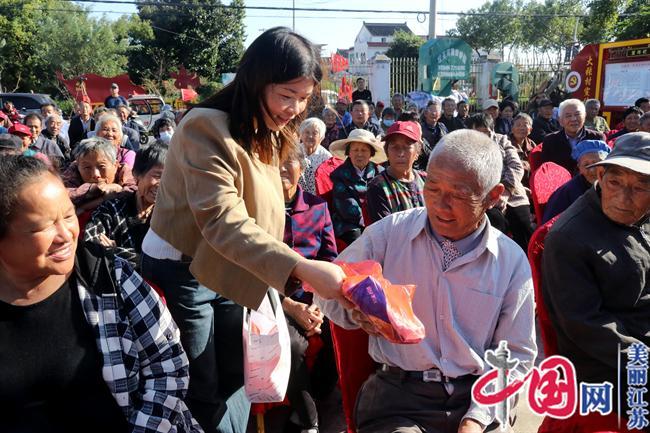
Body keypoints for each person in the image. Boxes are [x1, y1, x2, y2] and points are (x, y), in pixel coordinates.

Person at [140, 27, 350, 433]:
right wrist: (302, 268)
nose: (294, 108)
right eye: (286, 95)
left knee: (241, 371)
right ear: (256, 81)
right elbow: (223, 220)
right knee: (201, 381)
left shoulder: (268, 129)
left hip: (238, 266)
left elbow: (264, 215)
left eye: (303, 99)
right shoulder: (205, 127)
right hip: (186, 269)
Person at [317, 129, 537, 433]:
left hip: (478, 396)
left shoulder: (510, 261)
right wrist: (357, 310)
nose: (440, 205)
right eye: (432, 188)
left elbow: (515, 355)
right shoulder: (388, 235)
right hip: (398, 398)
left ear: (492, 197)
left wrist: (478, 417)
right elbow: (327, 292)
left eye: (459, 195)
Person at [0, 154, 201, 433]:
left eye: (68, 215)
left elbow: (167, 361)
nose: (66, 234)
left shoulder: (108, 276)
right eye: (43, 226)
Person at [541, 132, 650, 431]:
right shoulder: (569, 238)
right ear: (599, 175)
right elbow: (587, 327)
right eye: (615, 183)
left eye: (640, 187)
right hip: (607, 367)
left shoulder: (643, 215)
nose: (624, 198)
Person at [279, 145, 338, 433]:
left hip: (314, 296)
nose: (281, 167)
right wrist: (290, 306)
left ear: (302, 168)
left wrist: (317, 303)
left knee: (342, 330)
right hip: (271, 299)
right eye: (274, 161)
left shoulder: (317, 206)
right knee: (291, 344)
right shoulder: (257, 208)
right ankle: (308, 418)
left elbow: (329, 259)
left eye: (288, 161)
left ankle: (316, 396)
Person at [84, 143, 167, 270]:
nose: (164, 184)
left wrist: (114, 251)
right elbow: (91, 244)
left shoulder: (169, 216)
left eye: (170, 178)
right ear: (137, 174)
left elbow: (169, 262)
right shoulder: (111, 209)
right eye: (158, 176)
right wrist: (143, 260)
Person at [468, 113, 533, 251]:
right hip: (486, 197)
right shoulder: (467, 147)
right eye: (477, 133)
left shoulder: (502, 140)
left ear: (492, 130)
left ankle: (528, 266)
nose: (482, 137)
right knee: (495, 228)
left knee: (524, 227)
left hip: (512, 194)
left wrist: (505, 192)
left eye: (486, 132)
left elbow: (516, 166)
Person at [329, 128, 386, 245]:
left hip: (378, 221)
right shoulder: (339, 175)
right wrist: (370, 225)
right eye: (355, 150)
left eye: (364, 150)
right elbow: (348, 208)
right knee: (359, 240)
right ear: (348, 152)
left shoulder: (380, 172)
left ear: (371, 153)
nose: (359, 154)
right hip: (349, 224)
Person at [367, 121, 426, 224]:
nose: (400, 153)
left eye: (407, 146)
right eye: (394, 147)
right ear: (387, 153)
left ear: (417, 153)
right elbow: (386, 232)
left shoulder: (427, 180)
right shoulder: (378, 187)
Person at [62, 137, 137, 214]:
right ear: (78, 166)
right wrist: (97, 191)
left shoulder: (123, 170)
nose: (95, 174)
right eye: (87, 168)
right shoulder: (74, 169)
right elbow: (62, 196)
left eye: (102, 166)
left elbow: (134, 193)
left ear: (115, 165)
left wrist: (85, 206)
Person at [541, 139, 610, 223]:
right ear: (579, 168)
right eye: (586, 165)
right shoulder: (570, 193)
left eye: (597, 163)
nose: (592, 170)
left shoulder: (611, 183)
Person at [541, 99, 606, 174]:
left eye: (577, 114)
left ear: (584, 116)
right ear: (560, 120)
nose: (573, 119)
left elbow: (602, 168)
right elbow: (546, 170)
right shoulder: (550, 140)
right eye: (568, 116)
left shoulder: (597, 138)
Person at [297, 117, 331, 195]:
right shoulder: (293, 152)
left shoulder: (326, 157)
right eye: (307, 132)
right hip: (296, 196)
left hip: (318, 197)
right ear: (301, 135)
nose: (310, 136)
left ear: (321, 137)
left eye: (315, 133)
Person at [417, 99, 447, 170]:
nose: (433, 113)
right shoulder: (420, 128)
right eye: (431, 111)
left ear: (439, 115)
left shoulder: (442, 127)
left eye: (436, 111)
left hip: (440, 164)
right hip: (423, 165)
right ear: (425, 113)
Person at [508, 113, 536, 187]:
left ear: (530, 130)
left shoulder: (532, 144)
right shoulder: (506, 143)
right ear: (512, 129)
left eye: (525, 125)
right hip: (511, 184)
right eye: (518, 125)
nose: (521, 128)